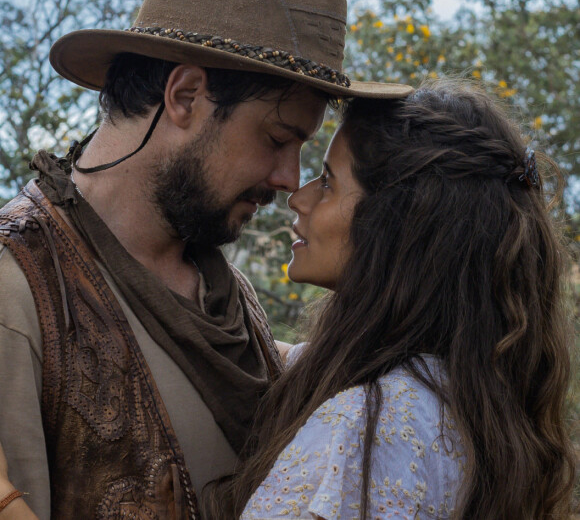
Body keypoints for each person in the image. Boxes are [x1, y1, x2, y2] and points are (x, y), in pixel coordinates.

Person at [0, 0, 412, 520]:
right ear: (186, 96)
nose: (289, 179)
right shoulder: (18, 287)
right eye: (276, 138)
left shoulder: (230, 294)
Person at [202, 78, 575, 519]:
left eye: (328, 182)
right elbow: (278, 356)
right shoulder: (459, 394)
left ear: (395, 224)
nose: (297, 198)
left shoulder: (369, 424)